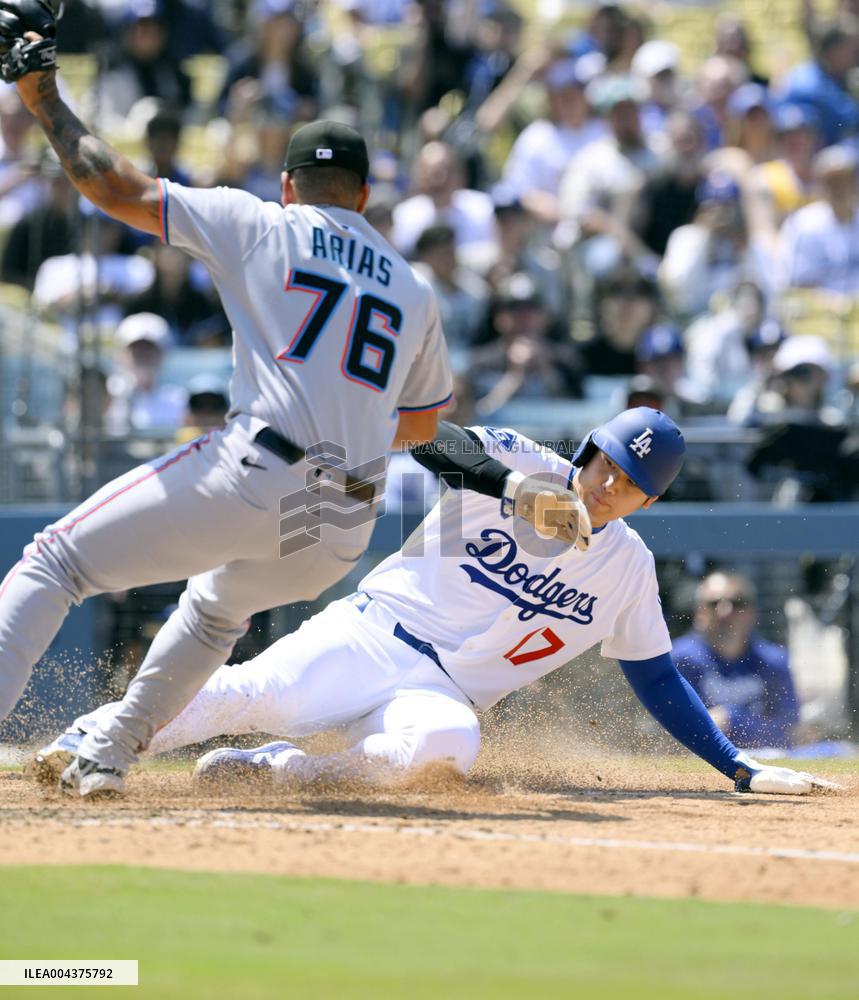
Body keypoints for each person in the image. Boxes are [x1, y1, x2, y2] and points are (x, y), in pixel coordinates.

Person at [0, 11, 454, 798]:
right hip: (344, 519)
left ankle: (101, 748)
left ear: (288, 185)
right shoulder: (411, 289)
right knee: (214, 615)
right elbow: (420, 425)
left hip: (259, 470)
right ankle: (106, 754)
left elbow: (113, 186)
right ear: (366, 195)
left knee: (56, 561)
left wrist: (43, 97)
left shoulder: (261, 223)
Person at [31, 410, 838, 797]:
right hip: (373, 635)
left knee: (445, 749)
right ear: (587, 449)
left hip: (438, 694)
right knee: (254, 692)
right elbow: (425, 435)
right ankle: (89, 739)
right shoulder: (524, 458)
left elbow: (658, 679)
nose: (608, 485)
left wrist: (734, 767)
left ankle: (278, 771)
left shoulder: (625, 565)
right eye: (605, 464)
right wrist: (514, 489)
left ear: (648, 504)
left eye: (631, 484)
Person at [673, 571, 800, 749]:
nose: (725, 611)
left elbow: (791, 731)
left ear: (753, 613)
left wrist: (733, 721)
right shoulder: (679, 659)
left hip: (764, 762)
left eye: (737, 603)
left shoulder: (773, 660)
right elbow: (668, 731)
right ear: (699, 613)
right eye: (714, 603)